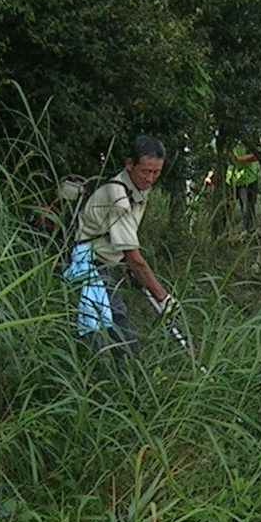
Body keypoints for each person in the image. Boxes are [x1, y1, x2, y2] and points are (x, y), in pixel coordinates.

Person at [64, 136, 173, 357]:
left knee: (117, 325)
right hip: (89, 267)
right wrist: (163, 297)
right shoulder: (118, 197)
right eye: (145, 171)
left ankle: (127, 373)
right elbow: (134, 257)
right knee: (98, 332)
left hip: (106, 265)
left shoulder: (138, 190)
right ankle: (100, 378)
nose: (150, 178)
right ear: (129, 165)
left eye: (156, 172)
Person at [226, 147, 259, 231]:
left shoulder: (248, 136)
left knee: (247, 210)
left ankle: (249, 233)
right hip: (231, 180)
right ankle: (223, 234)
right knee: (226, 209)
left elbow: (255, 156)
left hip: (247, 180)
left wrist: (236, 159)